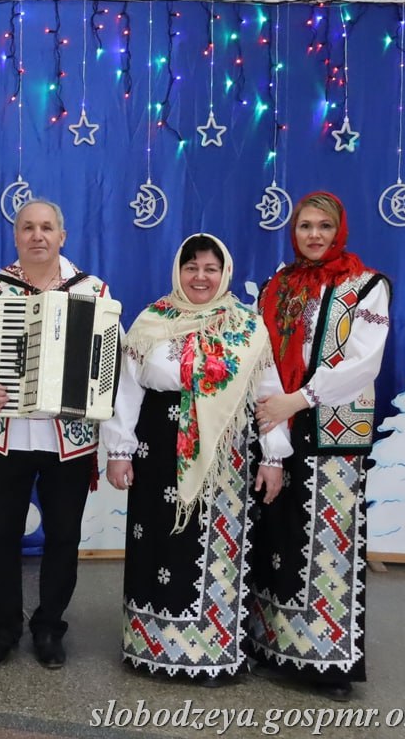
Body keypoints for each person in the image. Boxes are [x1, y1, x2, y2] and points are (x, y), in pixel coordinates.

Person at [102, 233, 289, 685]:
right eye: (191, 268)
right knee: (159, 541)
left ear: (224, 272)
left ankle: (213, 651)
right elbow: (126, 391)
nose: (200, 277)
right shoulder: (151, 319)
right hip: (157, 444)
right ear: (177, 271)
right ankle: (152, 646)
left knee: (216, 547)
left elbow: (268, 394)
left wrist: (274, 457)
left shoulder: (247, 325)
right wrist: (119, 451)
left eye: (209, 268)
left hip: (226, 453)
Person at [0, 198, 114, 669]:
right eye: (27, 228)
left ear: (63, 236)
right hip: (7, 437)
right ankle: (3, 627)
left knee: (63, 535)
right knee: (2, 535)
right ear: (15, 236)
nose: (37, 236)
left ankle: (49, 626)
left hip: (70, 440)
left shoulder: (93, 291)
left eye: (46, 228)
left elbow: (109, 364)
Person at [249, 192, 391, 701]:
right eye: (305, 225)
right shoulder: (277, 286)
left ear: (339, 231)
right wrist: (276, 412)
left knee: (327, 542)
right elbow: (259, 350)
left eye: (324, 226)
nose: (313, 235)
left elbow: (362, 363)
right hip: (277, 425)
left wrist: (299, 399)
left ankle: (327, 660)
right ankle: (271, 645)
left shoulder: (366, 287)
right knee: (277, 533)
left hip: (331, 430)